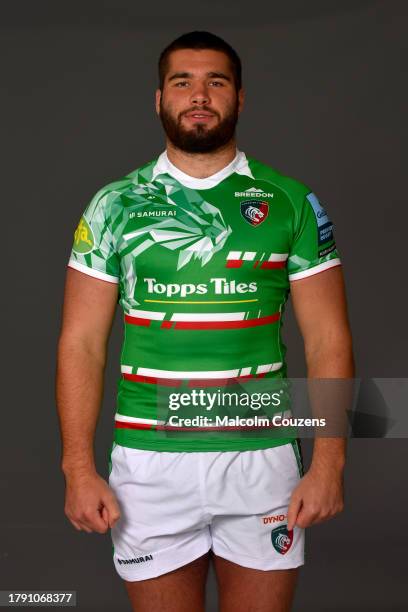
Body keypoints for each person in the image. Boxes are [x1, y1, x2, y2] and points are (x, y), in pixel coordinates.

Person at [56, 30, 354, 612]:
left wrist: (329, 464)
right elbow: (81, 343)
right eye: (182, 82)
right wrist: (76, 468)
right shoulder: (113, 205)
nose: (199, 95)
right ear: (158, 99)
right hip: (148, 464)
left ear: (239, 97)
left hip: (262, 459)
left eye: (215, 81)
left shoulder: (291, 200)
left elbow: (329, 339)